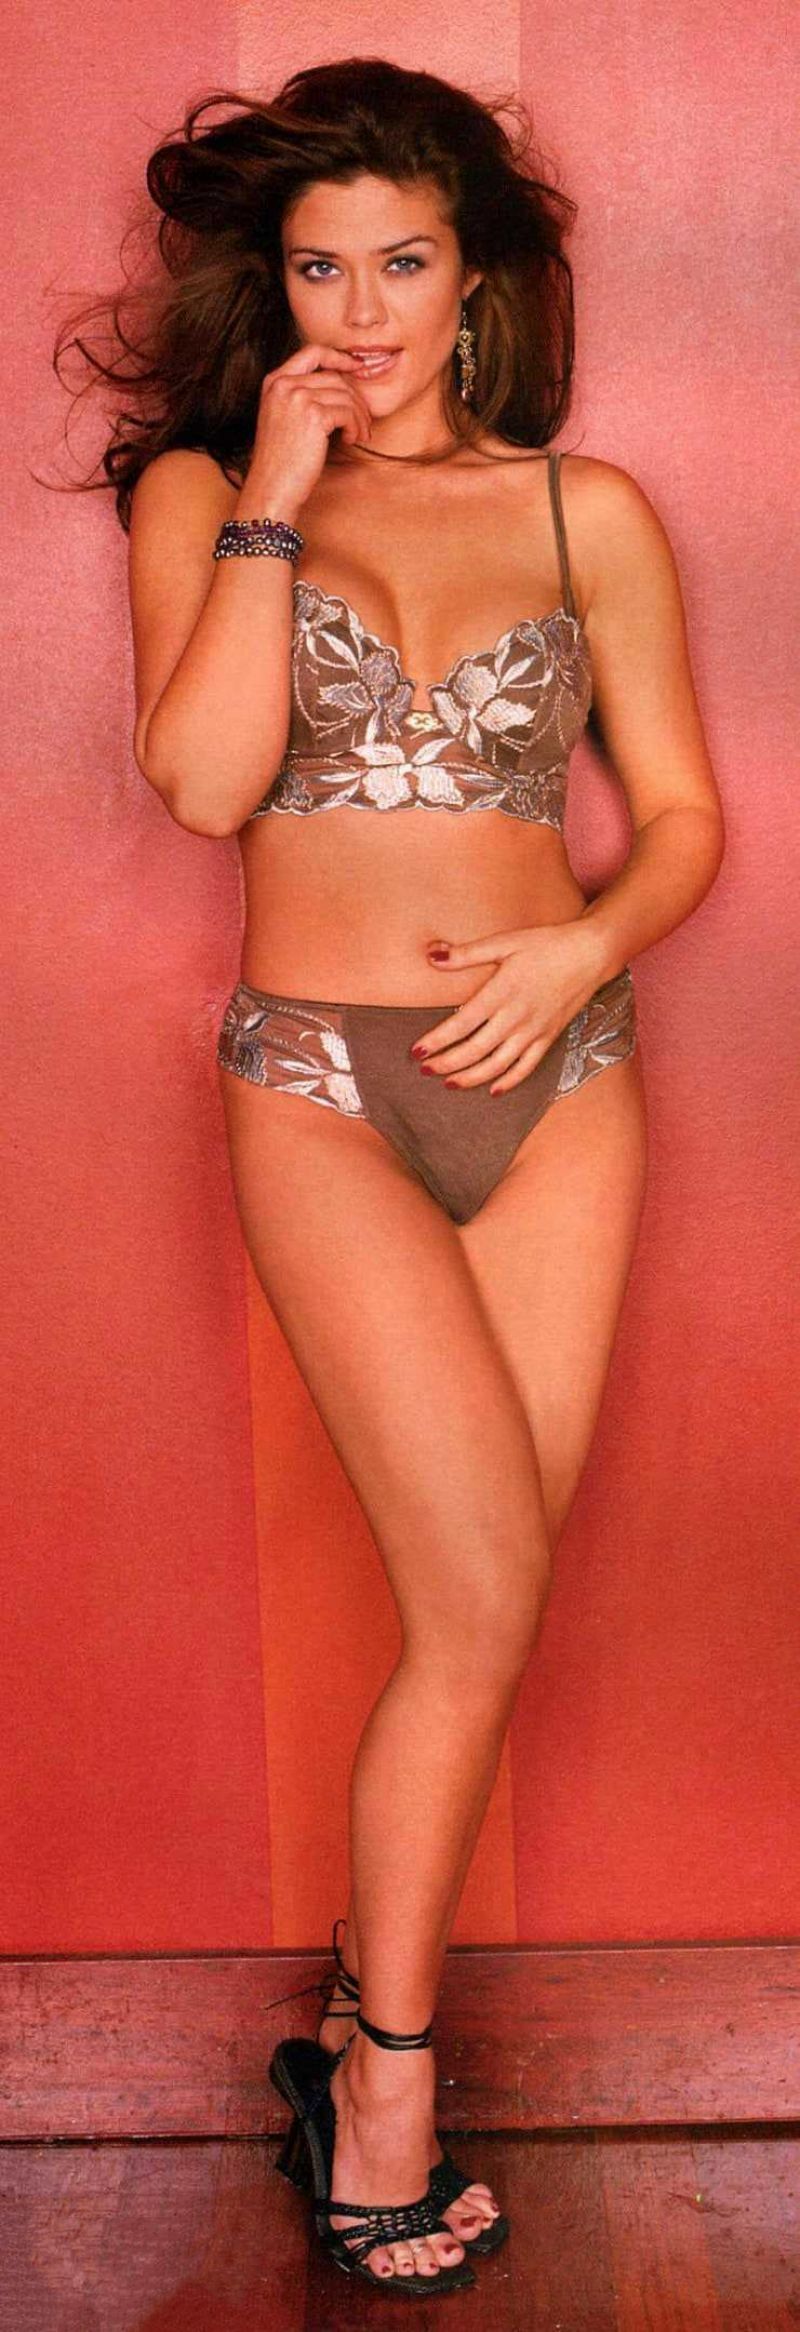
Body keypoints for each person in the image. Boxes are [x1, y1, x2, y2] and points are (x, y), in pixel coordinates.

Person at [121, 57, 725, 2298]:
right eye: (318, 270)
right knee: (474, 1599)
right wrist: (277, 497)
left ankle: (353, 2035)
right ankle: (381, 2078)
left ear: (475, 285)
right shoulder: (205, 491)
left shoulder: (589, 512)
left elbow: (683, 818)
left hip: (561, 1079)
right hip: (318, 1086)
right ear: (271, 288)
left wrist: (581, 940)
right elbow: (202, 787)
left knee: (493, 1606)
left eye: (401, 264)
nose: (360, 313)